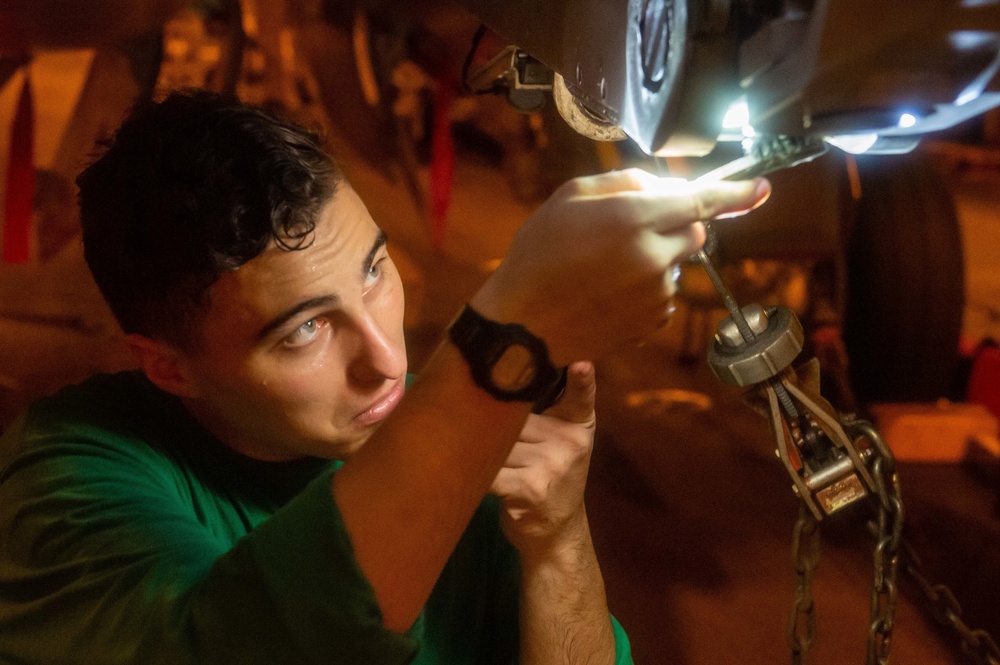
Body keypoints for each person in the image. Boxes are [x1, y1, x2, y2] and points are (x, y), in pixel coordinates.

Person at [0, 90, 769, 664]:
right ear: (169, 365)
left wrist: (557, 537)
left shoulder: (444, 432)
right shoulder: (66, 478)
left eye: (374, 271)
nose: (387, 359)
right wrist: (511, 334)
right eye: (304, 328)